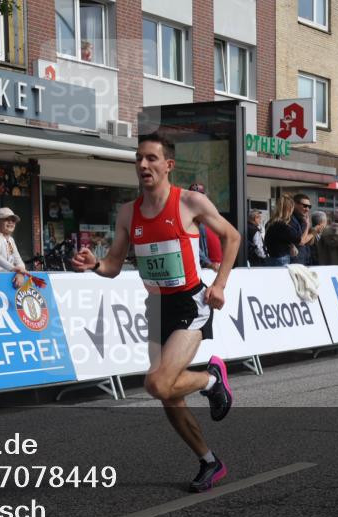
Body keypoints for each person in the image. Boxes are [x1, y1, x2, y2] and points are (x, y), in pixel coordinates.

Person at [71, 132, 241, 493]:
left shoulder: (190, 202)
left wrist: (220, 284)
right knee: (169, 395)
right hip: (157, 307)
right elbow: (114, 265)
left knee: (157, 383)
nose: (143, 165)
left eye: (151, 158)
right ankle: (210, 462)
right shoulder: (127, 213)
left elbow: (233, 237)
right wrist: (95, 263)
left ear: (168, 165)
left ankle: (212, 378)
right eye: (138, 158)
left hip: (190, 304)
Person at [0, 207, 29, 288]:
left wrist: (20, 273)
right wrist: (14, 268)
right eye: (7, 219)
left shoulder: (11, 240)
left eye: (13, 220)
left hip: (3, 281)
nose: (11, 222)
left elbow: (19, 262)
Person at [189, 183, 222, 271]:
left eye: (201, 196)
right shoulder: (191, 220)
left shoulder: (209, 216)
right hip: (205, 269)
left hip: (216, 266)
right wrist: (209, 264)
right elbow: (193, 246)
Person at [264, 194, 296, 266]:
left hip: (272, 257)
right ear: (289, 209)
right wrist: (306, 225)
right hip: (281, 258)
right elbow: (298, 239)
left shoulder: (270, 223)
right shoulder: (282, 225)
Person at [288, 193, 314, 265]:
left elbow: (307, 242)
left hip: (304, 259)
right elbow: (301, 241)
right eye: (305, 206)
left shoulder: (303, 220)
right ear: (295, 204)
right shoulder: (290, 220)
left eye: (309, 206)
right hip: (295, 262)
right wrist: (311, 229)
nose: (307, 209)